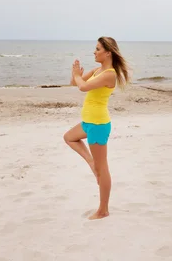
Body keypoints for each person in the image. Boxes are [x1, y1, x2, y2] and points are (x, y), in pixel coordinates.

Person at [63, 36, 130, 220]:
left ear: (108, 53)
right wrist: (75, 74)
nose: (94, 51)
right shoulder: (97, 70)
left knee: (103, 169)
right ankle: (92, 162)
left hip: (98, 124)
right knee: (69, 137)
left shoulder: (109, 74)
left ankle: (103, 210)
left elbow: (83, 87)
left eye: (98, 49)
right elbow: (75, 83)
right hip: (88, 121)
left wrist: (78, 76)